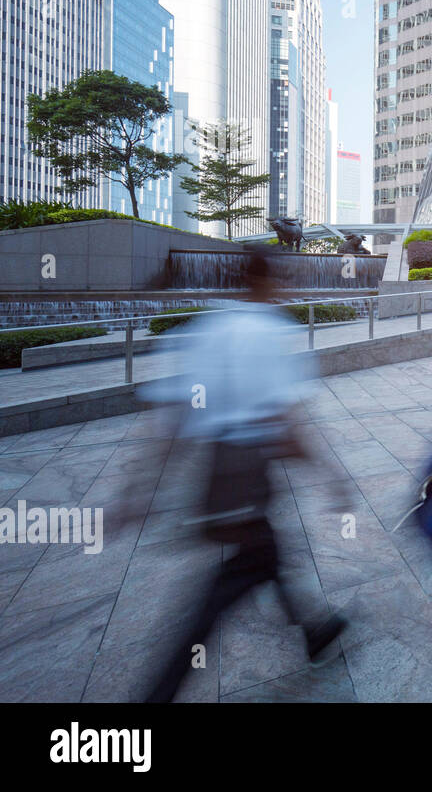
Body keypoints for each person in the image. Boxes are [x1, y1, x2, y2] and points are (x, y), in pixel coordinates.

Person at [141, 251, 347, 703]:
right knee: (228, 586)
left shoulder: (209, 330)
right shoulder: (271, 334)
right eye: (283, 282)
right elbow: (287, 419)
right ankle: (158, 692)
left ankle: (316, 630)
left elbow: (172, 416)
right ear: (269, 284)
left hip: (219, 468)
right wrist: (331, 476)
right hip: (248, 472)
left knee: (268, 554)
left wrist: (137, 492)